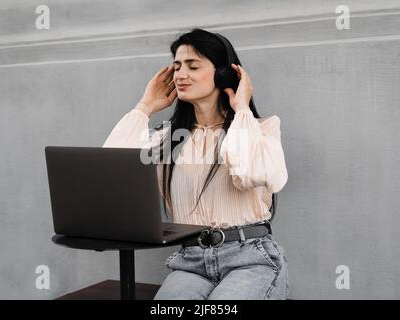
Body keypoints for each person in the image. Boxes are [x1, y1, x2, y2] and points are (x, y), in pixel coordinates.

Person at [102, 28, 289, 300]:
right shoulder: (167, 139)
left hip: (250, 257)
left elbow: (249, 173)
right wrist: (145, 106)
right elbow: (111, 171)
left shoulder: (260, 130)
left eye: (192, 65)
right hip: (190, 262)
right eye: (176, 67)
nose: (180, 75)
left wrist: (242, 109)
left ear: (223, 74)